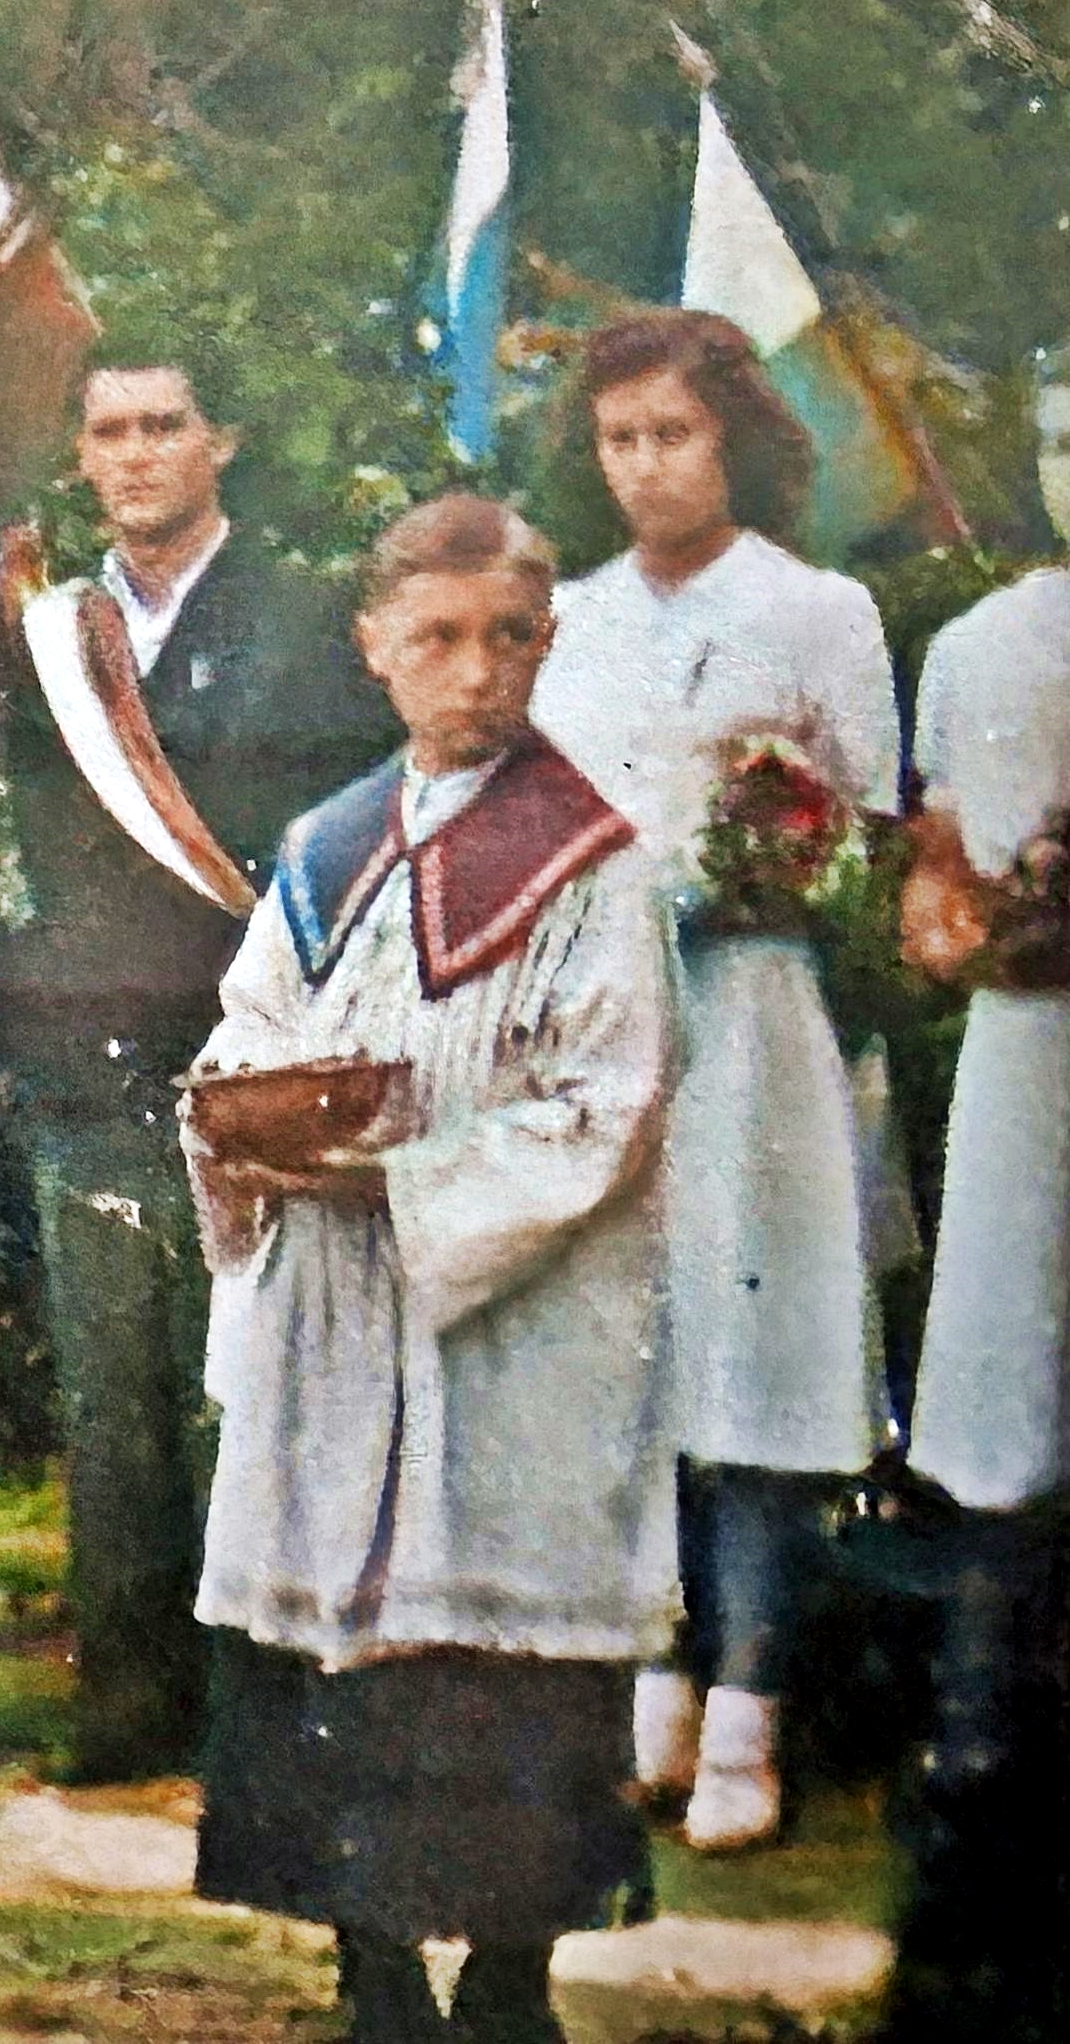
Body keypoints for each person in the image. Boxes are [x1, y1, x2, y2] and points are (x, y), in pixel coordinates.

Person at [189, 495, 674, 2044]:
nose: (474, 671)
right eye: (437, 637)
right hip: (338, 1304)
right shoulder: (325, 849)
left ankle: (512, 1969)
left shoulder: (590, 864)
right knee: (342, 1629)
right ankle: (373, 1958)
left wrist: (404, 1180)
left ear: (545, 642)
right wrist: (246, 1114)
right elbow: (251, 1018)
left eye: (508, 636)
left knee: (497, 1642)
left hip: (508, 1320)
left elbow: (606, 1101)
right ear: (372, 648)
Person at [0, 347, 397, 1780]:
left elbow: (336, 843)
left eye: (163, 424)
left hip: (251, 1054)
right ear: (79, 455)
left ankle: (255, 1709)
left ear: (218, 439)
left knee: (244, 1387)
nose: (136, 452)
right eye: (108, 429)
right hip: (92, 1061)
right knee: (110, 1402)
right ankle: (123, 1706)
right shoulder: (53, 635)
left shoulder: (303, 622)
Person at [528, 308, 902, 1853]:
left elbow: (867, 832)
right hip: (603, 1030)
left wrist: (772, 856)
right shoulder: (562, 614)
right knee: (628, 1352)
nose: (643, 465)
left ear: (730, 437)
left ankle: (749, 1696)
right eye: (616, 439)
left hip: (750, 1022)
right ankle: (650, 1675)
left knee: (755, 1353)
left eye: (670, 433)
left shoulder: (814, 609)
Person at [881, 505, 1070, 2037]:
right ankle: (978, 1773)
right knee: (1009, 1409)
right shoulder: (978, 646)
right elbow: (931, 902)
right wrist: (990, 914)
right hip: (1032, 1058)